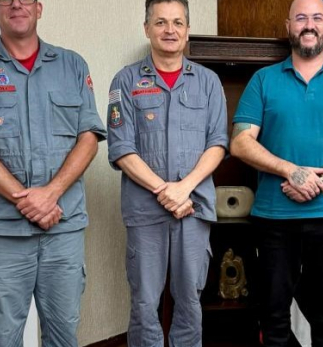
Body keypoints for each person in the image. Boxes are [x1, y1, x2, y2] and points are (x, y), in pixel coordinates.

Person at [0, 0, 106, 345]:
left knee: (64, 337)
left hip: (63, 229)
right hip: (1, 235)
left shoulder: (72, 65)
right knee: (4, 339)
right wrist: (28, 200)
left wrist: (50, 194)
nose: (16, 3)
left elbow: (89, 138)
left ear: (39, 7)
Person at [230, 0, 323, 345]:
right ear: (288, 26)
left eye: (316, 17)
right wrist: (292, 171)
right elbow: (240, 142)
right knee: (273, 313)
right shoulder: (263, 80)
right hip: (273, 218)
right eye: (301, 18)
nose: (308, 25)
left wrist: (319, 181)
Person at [106, 0, 228, 346]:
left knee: (190, 299)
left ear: (187, 30)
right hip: (146, 213)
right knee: (145, 302)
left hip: (194, 209)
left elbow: (218, 143)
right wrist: (166, 190)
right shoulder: (125, 81)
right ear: (147, 29)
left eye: (177, 22)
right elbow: (121, 148)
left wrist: (185, 189)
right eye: (160, 22)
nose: (169, 30)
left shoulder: (208, 82)